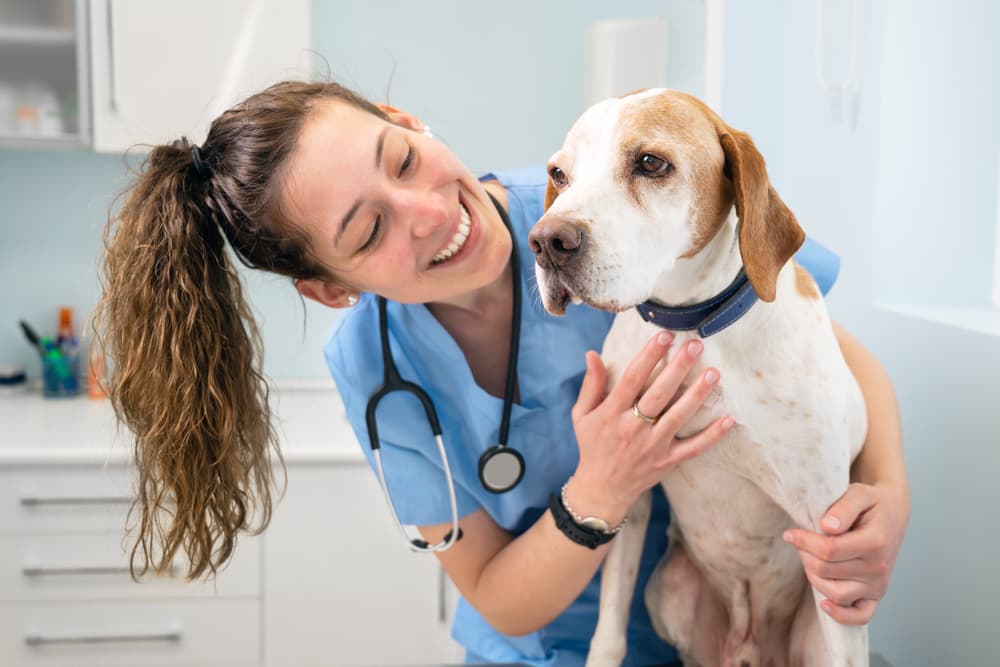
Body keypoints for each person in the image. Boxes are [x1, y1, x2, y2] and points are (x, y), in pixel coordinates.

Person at [96, 80, 910, 667]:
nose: (427, 211)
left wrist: (888, 500)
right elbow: (493, 590)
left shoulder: (581, 213)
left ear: (408, 119)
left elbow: (825, 358)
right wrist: (604, 485)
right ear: (331, 288)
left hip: (677, 630)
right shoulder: (377, 370)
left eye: (403, 158)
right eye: (370, 226)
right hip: (536, 648)